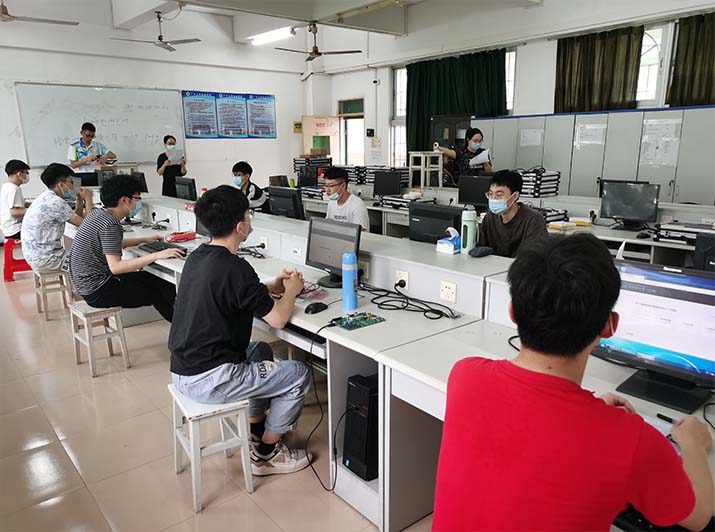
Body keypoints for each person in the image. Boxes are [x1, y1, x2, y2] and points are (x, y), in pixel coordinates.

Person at [433, 233, 714, 532]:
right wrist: (693, 444)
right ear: (610, 326)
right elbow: (698, 517)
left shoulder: (465, 375)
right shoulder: (633, 442)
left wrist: (592, 412)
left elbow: (534, 428)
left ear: (513, 311)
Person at [169, 185, 312, 476]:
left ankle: (256, 428)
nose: (250, 221)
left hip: (184, 368)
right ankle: (267, 452)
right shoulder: (236, 267)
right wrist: (292, 291)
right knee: (299, 373)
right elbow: (278, 319)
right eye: (248, 215)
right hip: (211, 379)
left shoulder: (198, 256)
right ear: (240, 226)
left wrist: (273, 285)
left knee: (260, 350)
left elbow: (236, 289)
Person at [69, 174, 182, 321]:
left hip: (87, 285)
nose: (138, 203)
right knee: (161, 288)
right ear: (124, 200)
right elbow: (116, 267)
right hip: (99, 290)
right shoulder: (110, 224)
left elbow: (109, 245)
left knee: (155, 280)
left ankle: (181, 328)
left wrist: (144, 239)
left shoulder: (98, 214)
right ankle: (183, 329)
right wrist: (157, 255)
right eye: (137, 199)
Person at [21, 163, 92, 272]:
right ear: (61, 184)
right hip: (48, 260)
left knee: (85, 254)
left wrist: (79, 199)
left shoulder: (46, 197)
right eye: (71, 182)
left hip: (36, 256)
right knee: (95, 261)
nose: (74, 186)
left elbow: (75, 217)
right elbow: (89, 226)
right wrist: (88, 198)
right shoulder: (56, 202)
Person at [476, 169, 547, 257]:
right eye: (490, 194)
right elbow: (480, 249)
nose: (493, 199)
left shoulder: (533, 219)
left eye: (499, 195)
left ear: (515, 196)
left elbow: (535, 256)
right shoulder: (490, 217)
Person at [324, 166, 369, 231]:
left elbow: (360, 233)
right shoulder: (332, 203)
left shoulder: (357, 205)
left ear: (343, 186)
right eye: (326, 185)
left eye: (331, 186)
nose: (327, 190)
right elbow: (328, 226)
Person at [1, 159, 30, 240]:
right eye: (26, 173)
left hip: (8, 229)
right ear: (19, 174)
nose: (27, 176)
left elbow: (23, 204)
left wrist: (37, 204)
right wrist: (34, 211)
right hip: (15, 229)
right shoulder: (14, 189)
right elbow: (14, 212)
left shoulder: (6, 186)